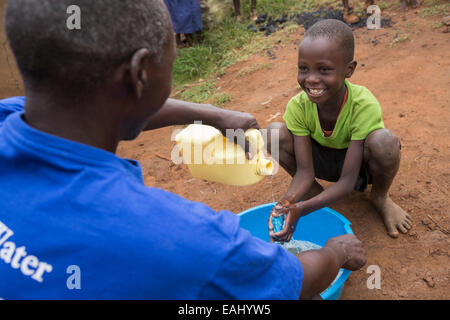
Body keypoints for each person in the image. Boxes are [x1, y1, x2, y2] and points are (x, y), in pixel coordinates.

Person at [0, 1, 365, 299]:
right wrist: (335, 253)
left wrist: (214, 116)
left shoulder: (10, 116)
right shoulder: (175, 236)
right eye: (170, 62)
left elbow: (86, 101)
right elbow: (294, 281)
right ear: (139, 74)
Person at [265, 19, 412, 243]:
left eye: (324, 70)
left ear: (349, 70)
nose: (312, 79)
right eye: (304, 69)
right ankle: (314, 194)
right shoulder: (298, 106)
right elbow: (304, 172)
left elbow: (346, 182)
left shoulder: (363, 104)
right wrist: (287, 203)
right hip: (320, 162)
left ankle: (380, 197)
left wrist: (301, 210)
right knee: (273, 134)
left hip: (357, 167)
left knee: (384, 142)